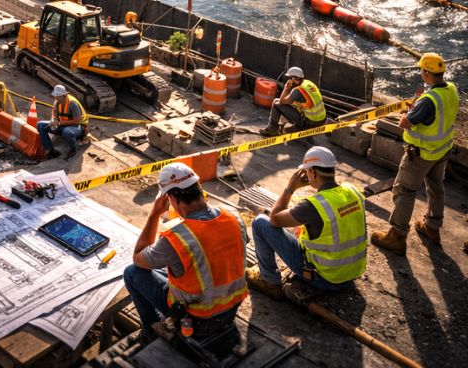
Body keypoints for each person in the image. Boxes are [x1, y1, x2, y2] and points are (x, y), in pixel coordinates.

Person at [124, 163, 247, 341]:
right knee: (167, 268)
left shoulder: (177, 238)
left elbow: (138, 257)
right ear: (199, 188)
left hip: (197, 320)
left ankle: (150, 331)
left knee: (133, 273)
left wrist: (154, 214)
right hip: (231, 309)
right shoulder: (233, 217)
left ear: (172, 199)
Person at [247, 146, 366, 298]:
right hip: (351, 273)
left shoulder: (314, 206)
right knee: (301, 228)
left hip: (325, 278)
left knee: (260, 223)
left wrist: (290, 188)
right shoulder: (352, 190)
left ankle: (269, 282)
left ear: (313, 173)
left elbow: (275, 219)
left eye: (308, 171)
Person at [372, 53, 459, 254]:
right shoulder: (451, 89)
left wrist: (407, 113)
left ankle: (397, 236)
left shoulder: (428, 100)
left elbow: (406, 123)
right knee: (436, 187)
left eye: (422, 70)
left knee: (404, 191)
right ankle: (432, 227)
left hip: (420, 155)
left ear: (427, 73)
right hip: (442, 150)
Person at [259, 66, 326, 136]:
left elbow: (282, 101)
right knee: (289, 104)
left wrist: (286, 88)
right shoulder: (308, 83)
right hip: (321, 120)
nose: (288, 80)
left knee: (276, 103)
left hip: (309, 123)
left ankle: (272, 129)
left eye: (290, 78)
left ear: (294, 78)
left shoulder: (298, 90)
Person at [37, 84, 87, 158]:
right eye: (55, 97)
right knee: (40, 125)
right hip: (63, 125)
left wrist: (60, 123)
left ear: (64, 95)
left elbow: (77, 121)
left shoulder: (73, 104)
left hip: (78, 127)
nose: (56, 99)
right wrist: (53, 120)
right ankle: (50, 150)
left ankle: (74, 148)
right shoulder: (57, 102)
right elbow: (54, 114)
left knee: (66, 132)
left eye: (58, 97)